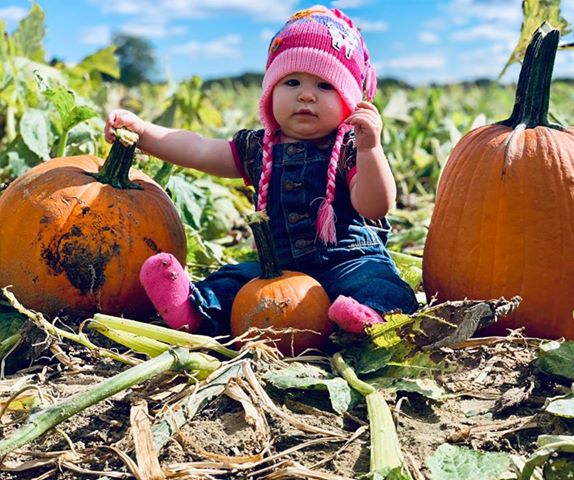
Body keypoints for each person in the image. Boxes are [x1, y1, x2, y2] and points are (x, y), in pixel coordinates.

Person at [104, 5, 419, 337]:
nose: (306, 94)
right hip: (279, 267)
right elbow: (197, 148)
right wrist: (143, 132)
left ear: (351, 101)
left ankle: (372, 319)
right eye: (292, 82)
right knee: (235, 281)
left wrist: (371, 149)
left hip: (348, 259)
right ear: (270, 94)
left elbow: (375, 206)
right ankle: (194, 310)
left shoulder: (351, 147)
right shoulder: (258, 149)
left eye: (325, 86)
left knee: (378, 281)